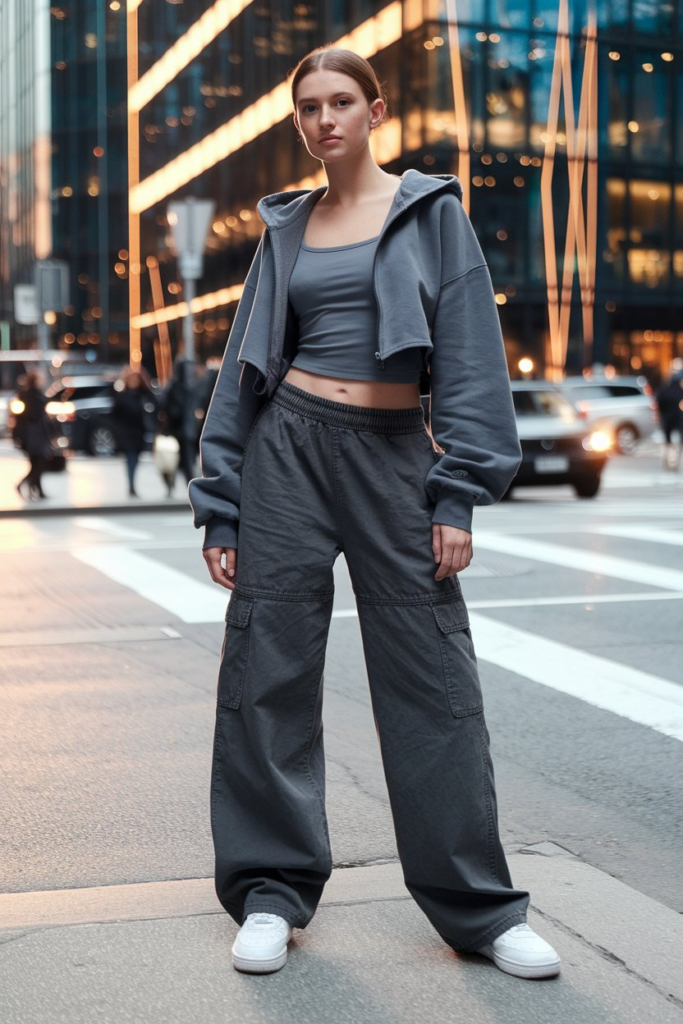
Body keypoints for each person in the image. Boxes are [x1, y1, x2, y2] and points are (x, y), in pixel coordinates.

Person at [189, 46, 561, 981]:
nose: (325, 121)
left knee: (433, 678)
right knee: (267, 670)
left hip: (397, 458)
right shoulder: (286, 229)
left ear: (375, 110)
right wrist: (222, 504)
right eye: (308, 107)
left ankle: (478, 910)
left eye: (341, 102)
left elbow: (471, 356)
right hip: (288, 452)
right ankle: (271, 893)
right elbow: (244, 369)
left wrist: (460, 492)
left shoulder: (430, 214)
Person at [111, 365, 155, 497]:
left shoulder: (144, 395)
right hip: (127, 433)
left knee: (135, 459)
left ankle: (132, 484)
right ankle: (131, 485)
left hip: (140, 432)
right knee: (131, 459)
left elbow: (156, 406)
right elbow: (115, 414)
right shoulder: (122, 396)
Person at [14, 370, 53, 500]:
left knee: (36, 464)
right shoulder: (32, 396)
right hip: (34, 434)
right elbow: (33, 415)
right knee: (39, 463)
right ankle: (25, 485)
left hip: (34, 434)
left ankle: (37, 490)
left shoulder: (29, 395)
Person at [656, 359, 683, 470]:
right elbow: (659, 402)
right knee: (674, 441)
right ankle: (672, 460)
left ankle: (671, 460)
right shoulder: (674, 389)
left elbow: (659, 401)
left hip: (670, 417)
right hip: (674, 417)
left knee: (670, 441)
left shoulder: (666, 388)